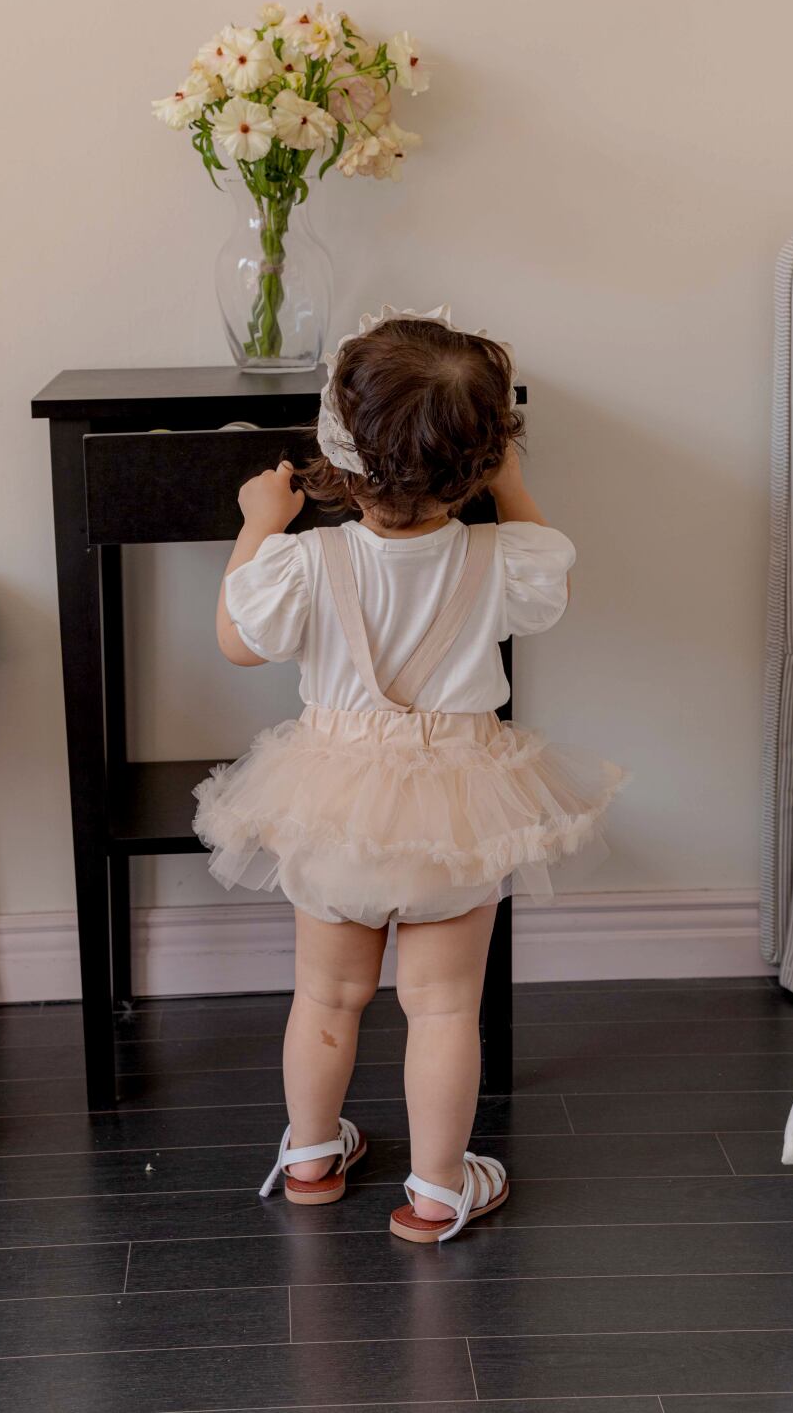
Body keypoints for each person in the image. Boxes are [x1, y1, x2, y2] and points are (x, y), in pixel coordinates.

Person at [193, 307, 626, 1242]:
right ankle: (437, 1188)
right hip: (456, 814)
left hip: (333, 809)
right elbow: (550, 583)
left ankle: (311, 1156)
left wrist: (258, 523)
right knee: (444, 1007)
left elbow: (235, 640)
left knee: (326, 996)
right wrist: (513, 484)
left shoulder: (304, 560)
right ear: (480, 459)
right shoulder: (503, 556)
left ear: (340, 451)